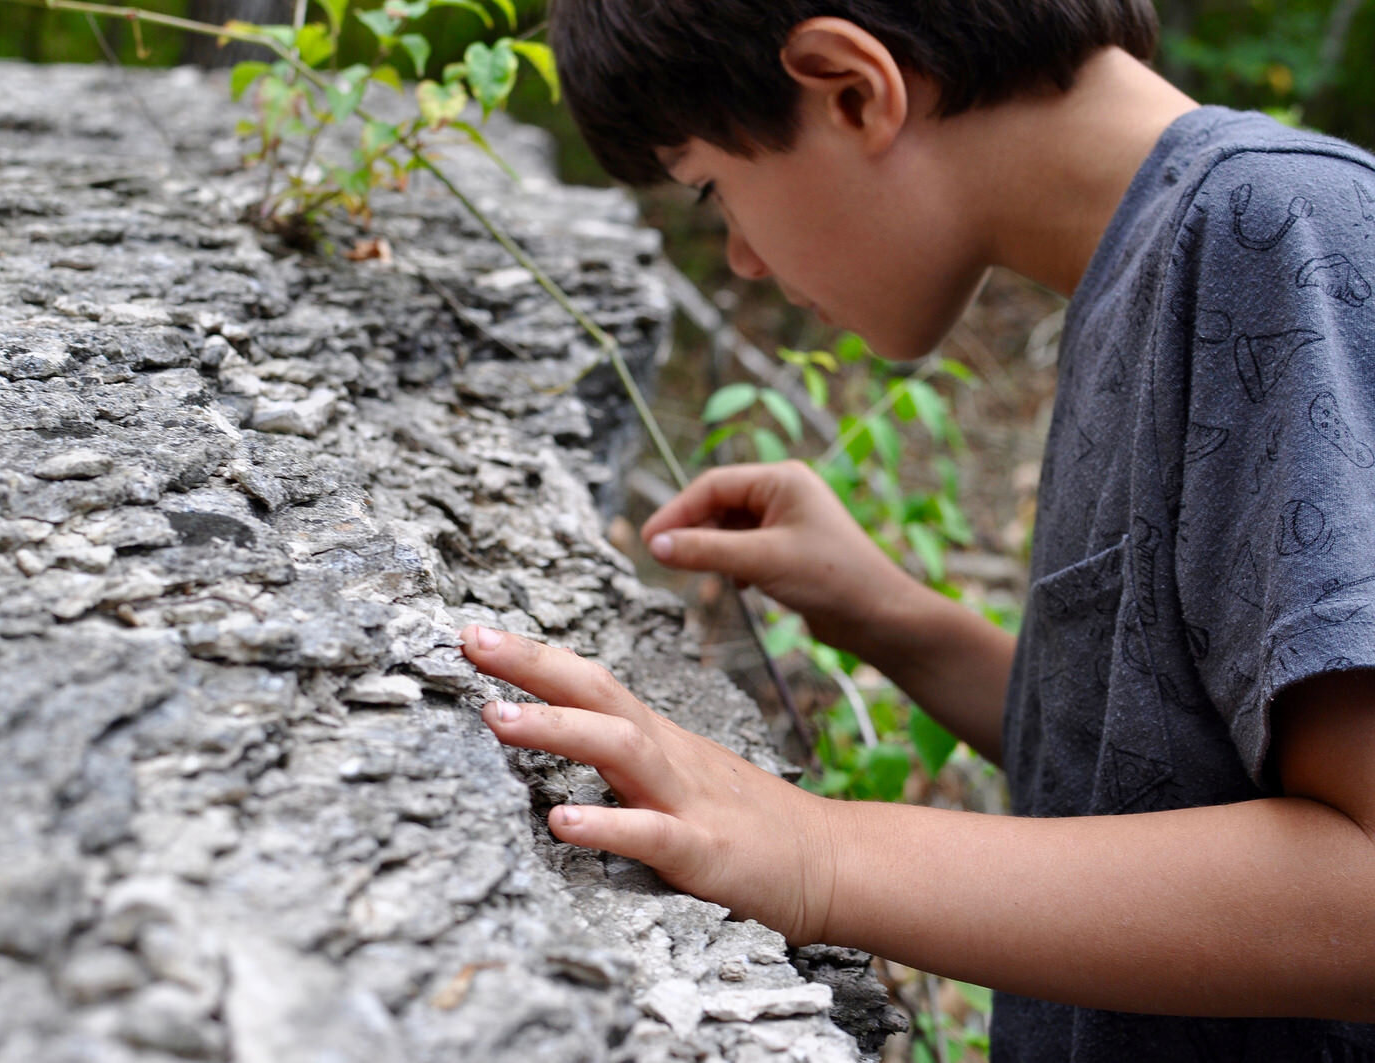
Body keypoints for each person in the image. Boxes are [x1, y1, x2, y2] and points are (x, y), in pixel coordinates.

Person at [460, 1, 1375, 1059]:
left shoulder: (1283, 233)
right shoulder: (1152, 263)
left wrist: (816, 852)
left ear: (852, 88)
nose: (742, 259)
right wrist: (889, 617)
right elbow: (1150, 765)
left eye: (712, 187)